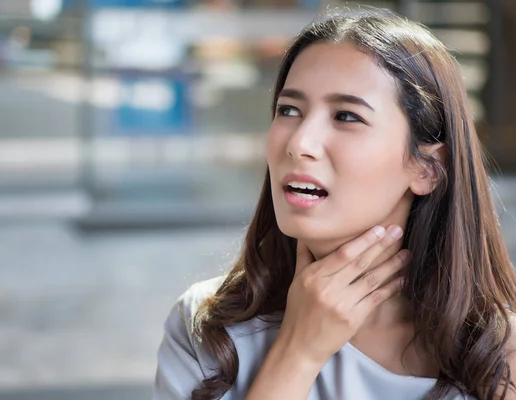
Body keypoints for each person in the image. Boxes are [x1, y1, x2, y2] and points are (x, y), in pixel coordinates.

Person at [152, 8, 516, 400]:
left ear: (428, 167)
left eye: (346, 116)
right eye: (289, 110)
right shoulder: (205, 326)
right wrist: (298, 352)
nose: (299, 143)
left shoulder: (496, 354)